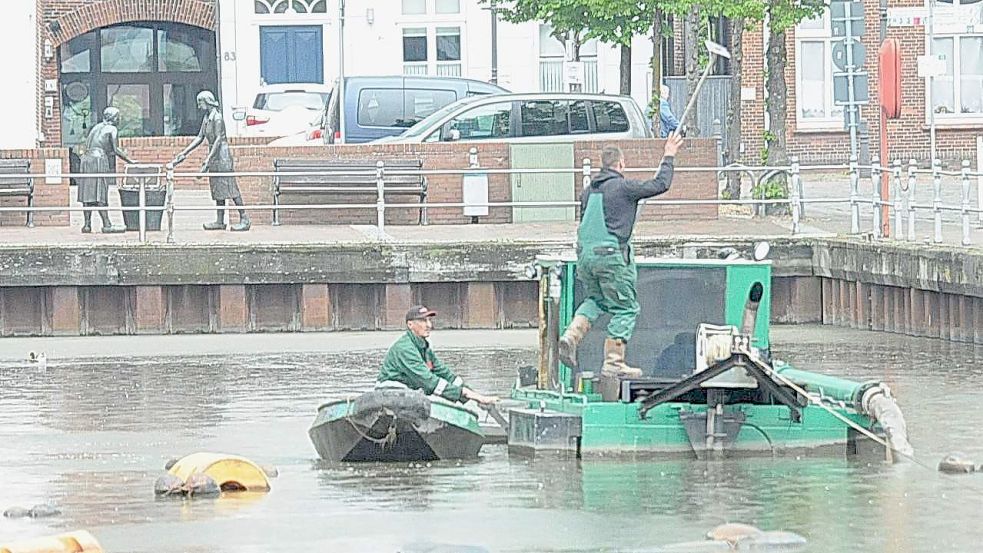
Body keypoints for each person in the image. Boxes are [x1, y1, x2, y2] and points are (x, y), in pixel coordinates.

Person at [558, 135, 684, 383]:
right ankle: (614, 364)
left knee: (596, 299)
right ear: (621, 164)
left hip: (584, 257)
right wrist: (669, 155)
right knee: (626, 308)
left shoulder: (587, 192)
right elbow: (661, 184)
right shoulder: (623, 187)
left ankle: (571, 337)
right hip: (611, 257)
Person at [377, 305, 499, 405]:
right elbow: (429, 382)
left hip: (407, 396)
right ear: (410, 325)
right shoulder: (405, 349)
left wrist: (477, 396)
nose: (429, 325)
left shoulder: (424, 348)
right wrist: (467, 394)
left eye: (429, 320)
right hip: (389, 395)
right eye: (423, 321)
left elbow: (446, 374)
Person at [170, 91, 250, 232]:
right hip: (214, 155)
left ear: (207, 102)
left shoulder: (217, 118)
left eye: (200, 102)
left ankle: (244, 218)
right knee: (218, 188)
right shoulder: (207, 118)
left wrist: (207, 162)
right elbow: (199, 137)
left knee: (230, 187)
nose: (199, 105)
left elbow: (218, 140)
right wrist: (184, 153)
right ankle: (220, 220)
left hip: (222, 156)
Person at [77, 107, 131, 234]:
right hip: (98, 160)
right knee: (100, 192)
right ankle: (107, 224)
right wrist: (130, 160)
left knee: (87, 193)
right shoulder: (112, 129)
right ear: (112, 118)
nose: (119, 119)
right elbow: (116, 149)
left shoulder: (96, 127)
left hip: (86, 159)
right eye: (118, 116)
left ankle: (87, 225)